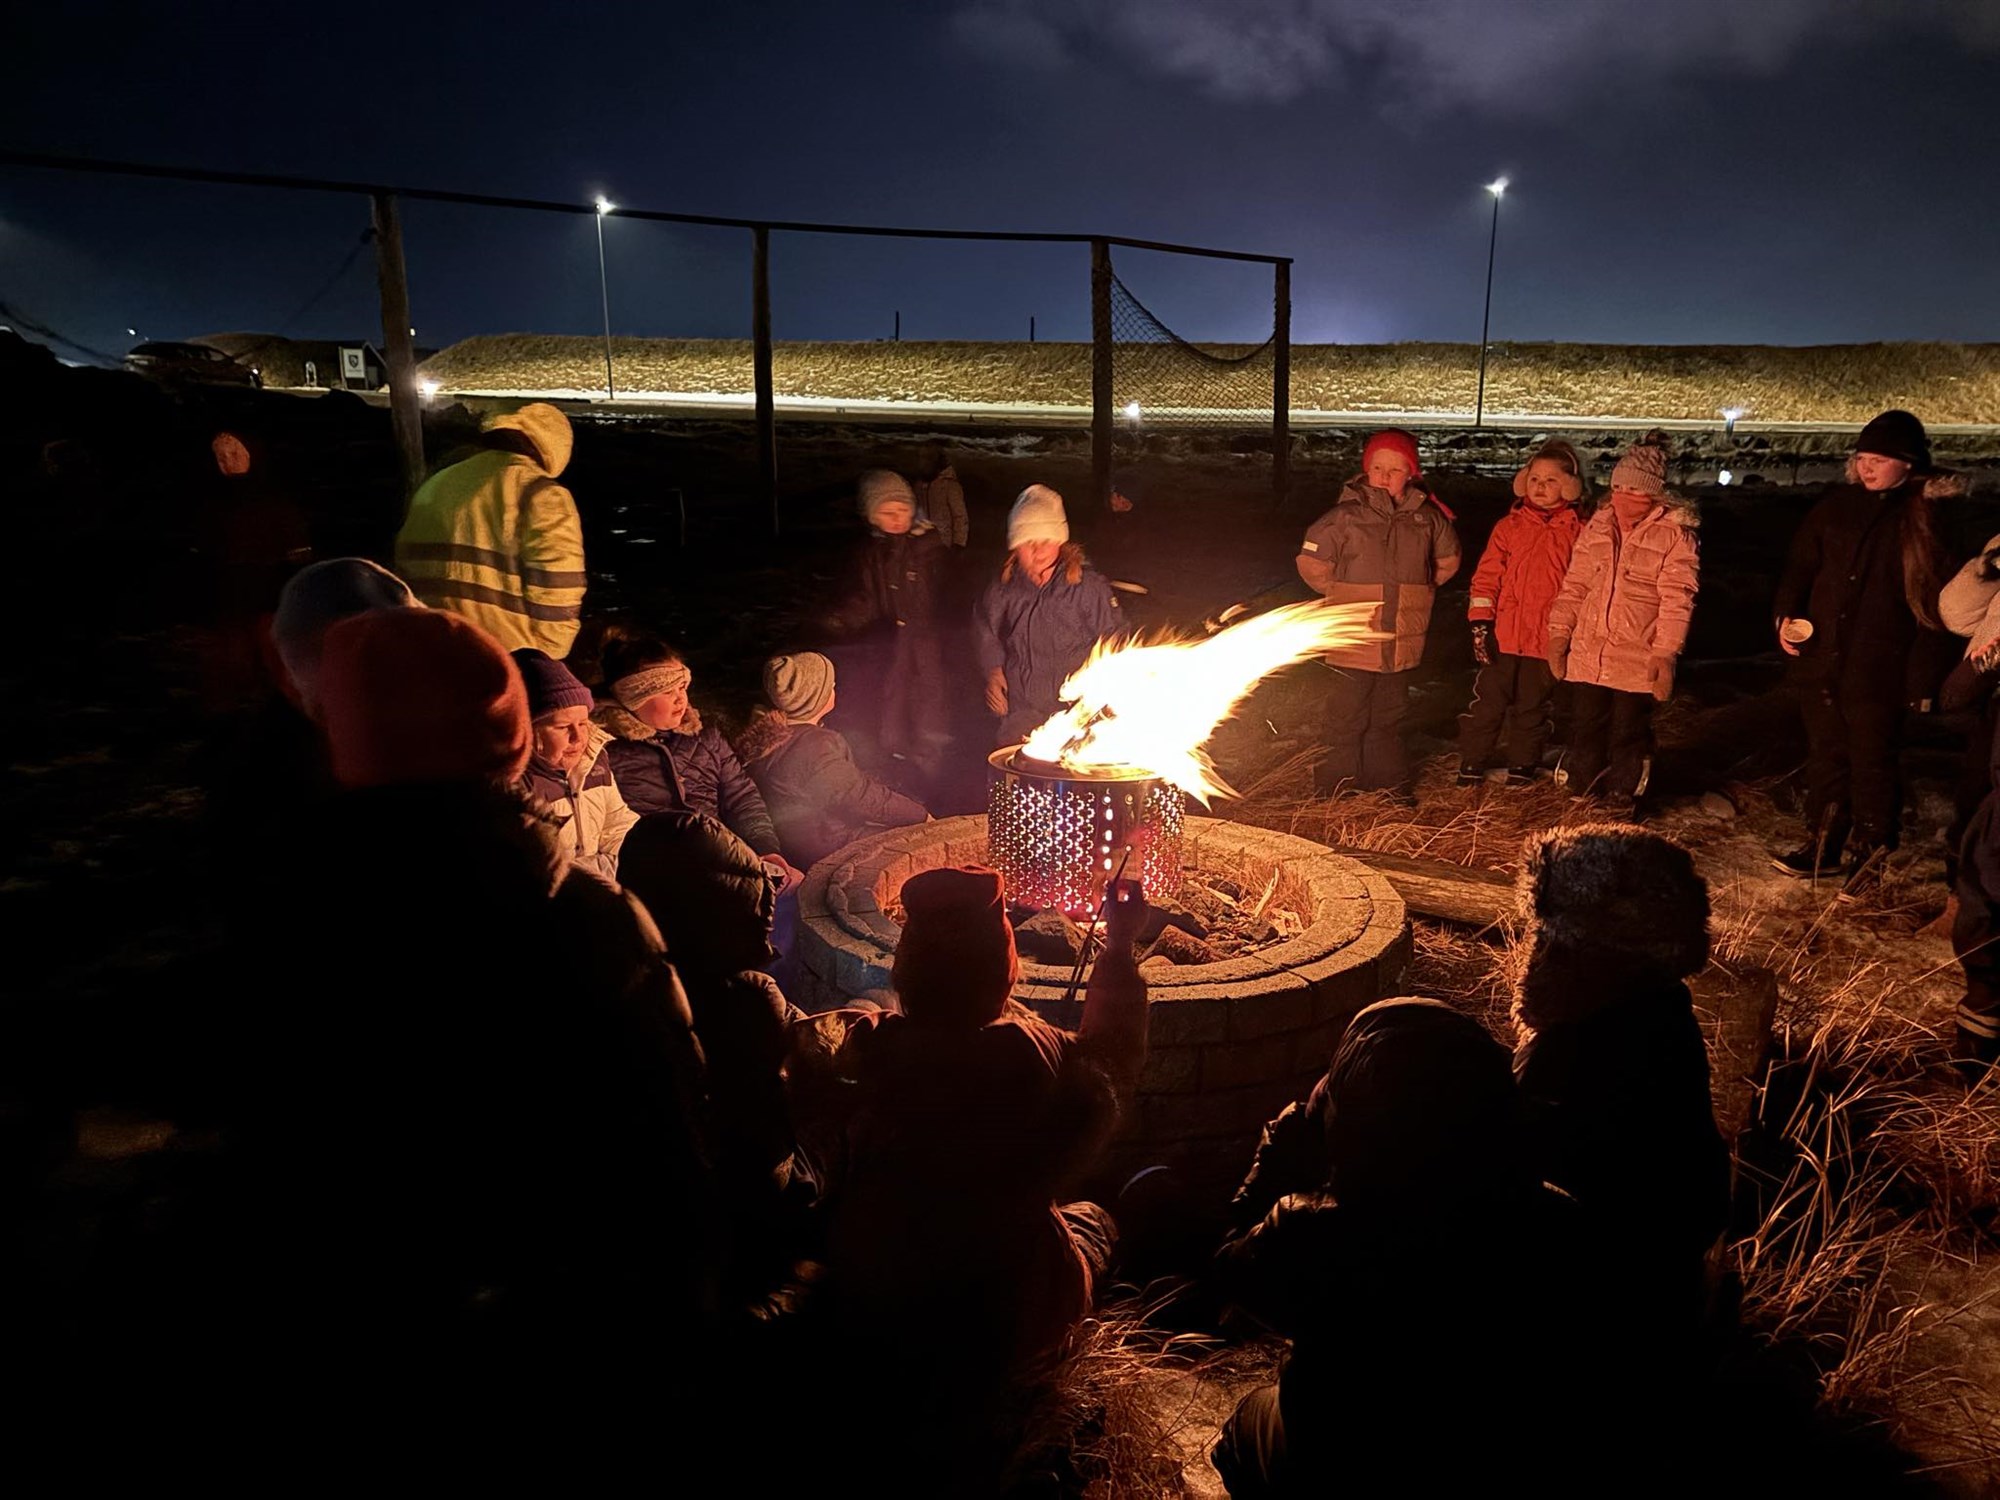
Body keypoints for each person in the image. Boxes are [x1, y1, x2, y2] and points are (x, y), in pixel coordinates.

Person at [239, 606, 714, 1389]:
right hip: (587, 1312)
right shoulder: (581, 920)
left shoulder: (295, 931)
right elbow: (668, 1139)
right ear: (515, 736)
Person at [1214, 998, 1612, 1497]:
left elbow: (1232, 1268)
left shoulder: (1315, 1229)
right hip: (1494, 1457)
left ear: (1355, 1122)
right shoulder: (1561, 1220)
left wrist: (1288, 1138)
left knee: (1245, 1423)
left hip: (1354, 1456)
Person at [814, 866, 1148, 1387]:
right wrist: (1121, 940)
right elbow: (1113, 1057)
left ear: (907, 969)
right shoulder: (1031, 1052)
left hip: (877, 1300)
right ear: (1003, 970)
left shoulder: (868, 1047)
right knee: (1095, 1221)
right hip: (1004, 1323)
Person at [1511, 824, 1729, 1336]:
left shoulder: (1569, 1054)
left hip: (1600, 1306)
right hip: (1658, 1269)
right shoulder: (1663, 1010)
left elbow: (1505, 1192)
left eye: (1545, 938)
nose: (1534, 950)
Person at [617, 812, 818, 1312]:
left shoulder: (616, 977)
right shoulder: (745, 995)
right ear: (734, 909)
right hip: (754, 1198)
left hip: (651, 1206)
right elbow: (810, 1053)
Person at [1770, 410, 1960, 894]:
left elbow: (1935, 607)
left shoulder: (1924, 519)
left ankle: (1871, 852)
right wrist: (1784, 620)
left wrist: (1921, 682)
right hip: (1824, 658)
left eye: (1880, 459)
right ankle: (1823, 843)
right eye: (1862, 457)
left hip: (1880, 668)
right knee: (1826, 755)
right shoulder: (1835, 508)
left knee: (1872, 761)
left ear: (1909, 464)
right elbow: (1799, 567)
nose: (1868, 467)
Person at [1295, 428, 1462, 796]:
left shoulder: (1427, 518)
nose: (1385, 476)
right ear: (1366, 470)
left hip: (1400, 640)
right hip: (1354, 637)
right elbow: (1312, 561)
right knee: (1345, 714)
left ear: (1412, 473)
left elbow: (1447, 560)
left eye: (1395, 468)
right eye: (1377, 467)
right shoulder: (1345, 517)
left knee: (1390, 715)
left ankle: (1387, 784)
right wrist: (1341, 593)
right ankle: (1336, 785)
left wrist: (1419, 590)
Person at [1546, 431, 1699, 807]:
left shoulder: (1674, 534)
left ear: (1654, 495)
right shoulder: (1598, 526)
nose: (1624, 499)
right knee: (1585, 724)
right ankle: (1581, 788)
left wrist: (1665, 653)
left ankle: (1623, 792)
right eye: (1619, 490)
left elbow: (1677, 597)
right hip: (1590, 652)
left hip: (1636, 656)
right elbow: (1576, 584)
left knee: (1628, 730)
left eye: (1635, 492)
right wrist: (1559, 633)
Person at [592, 633, 799, 889]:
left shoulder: (705, 737)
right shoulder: (605, 751)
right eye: (667, 691)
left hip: (725, 861)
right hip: (657, 879)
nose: (681, 699)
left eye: (682, 687)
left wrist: (765, 847)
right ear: (634, 696)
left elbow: (741, 797)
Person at [394, 402, 587, 656]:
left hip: (432, 645)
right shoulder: (540, 493)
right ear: (553, 446)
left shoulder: (437, 483)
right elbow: (559, 584)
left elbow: (404, 568)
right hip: (507, 656)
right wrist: (547, 655)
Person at [1458, 440, 1588, 786]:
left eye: (1551, 481)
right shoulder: (1509, 527)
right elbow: (1486, 577)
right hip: (1504, 635)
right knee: (1488, 703)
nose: (1541, 487)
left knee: (1532, 707)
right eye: (1534, 479)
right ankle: (1472, 761)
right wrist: (1481, 623)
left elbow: (1585, 583)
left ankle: (1522, 766)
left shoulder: (1580, 530)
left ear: (1571, 486)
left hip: (1546, 639)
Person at [735, 652, 929, 872]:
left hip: (796, 842)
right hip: (828, 845)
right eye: (831, 685)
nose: (833, 690)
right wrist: (921, 817)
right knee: (914, 843)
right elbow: (859, 796)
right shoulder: (813, 745)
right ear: (814, 698)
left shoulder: (769, 738)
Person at [974, 485, 1122, 746]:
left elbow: (1114, 637)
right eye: (1028, 542)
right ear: (1015, 546)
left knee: (1071, 776)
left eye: (1046, 540)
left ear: (1061, 541)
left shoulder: (1086, 587)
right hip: (1023, 708)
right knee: (1016, 770)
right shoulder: (1004, 589)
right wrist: (994, 671)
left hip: (1076, 711)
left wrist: (1109, 691)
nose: (1038, 550)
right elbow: (986, 630)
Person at [827, 470, 952, 779]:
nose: (897, 518)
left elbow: (948, 593)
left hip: (926, 642)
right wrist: (840, 622)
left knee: (928, 698)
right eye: (887, 512)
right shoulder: (870, 553)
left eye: (903, 510)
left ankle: (929, 764)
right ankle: (891, 760)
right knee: (890, 698)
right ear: (871, 516)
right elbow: (865, 598)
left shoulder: (929, 548)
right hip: (889, 643)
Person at [1938, 538, 2000, 1080]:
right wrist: (1985, 568)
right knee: (1982, 860)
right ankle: (1978, 1031)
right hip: (1992, 712)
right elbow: (1957, 615)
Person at [515, 647, 636, 881]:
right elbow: (534, 871)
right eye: (562, 727)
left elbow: (617, 820)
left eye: (582, 723)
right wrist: (604, 870)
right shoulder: (516, 783)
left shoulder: (593, 758)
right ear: (527, 729)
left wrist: (640, 856)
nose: (578, 738)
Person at [915, 445, 969, 549]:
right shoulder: (919, 486)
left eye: (928, 457)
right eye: (921, 457)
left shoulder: (949, 485)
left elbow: (960, 516)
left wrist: (958, 543)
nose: (923, 462)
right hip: (922, 543)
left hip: (944, 545)